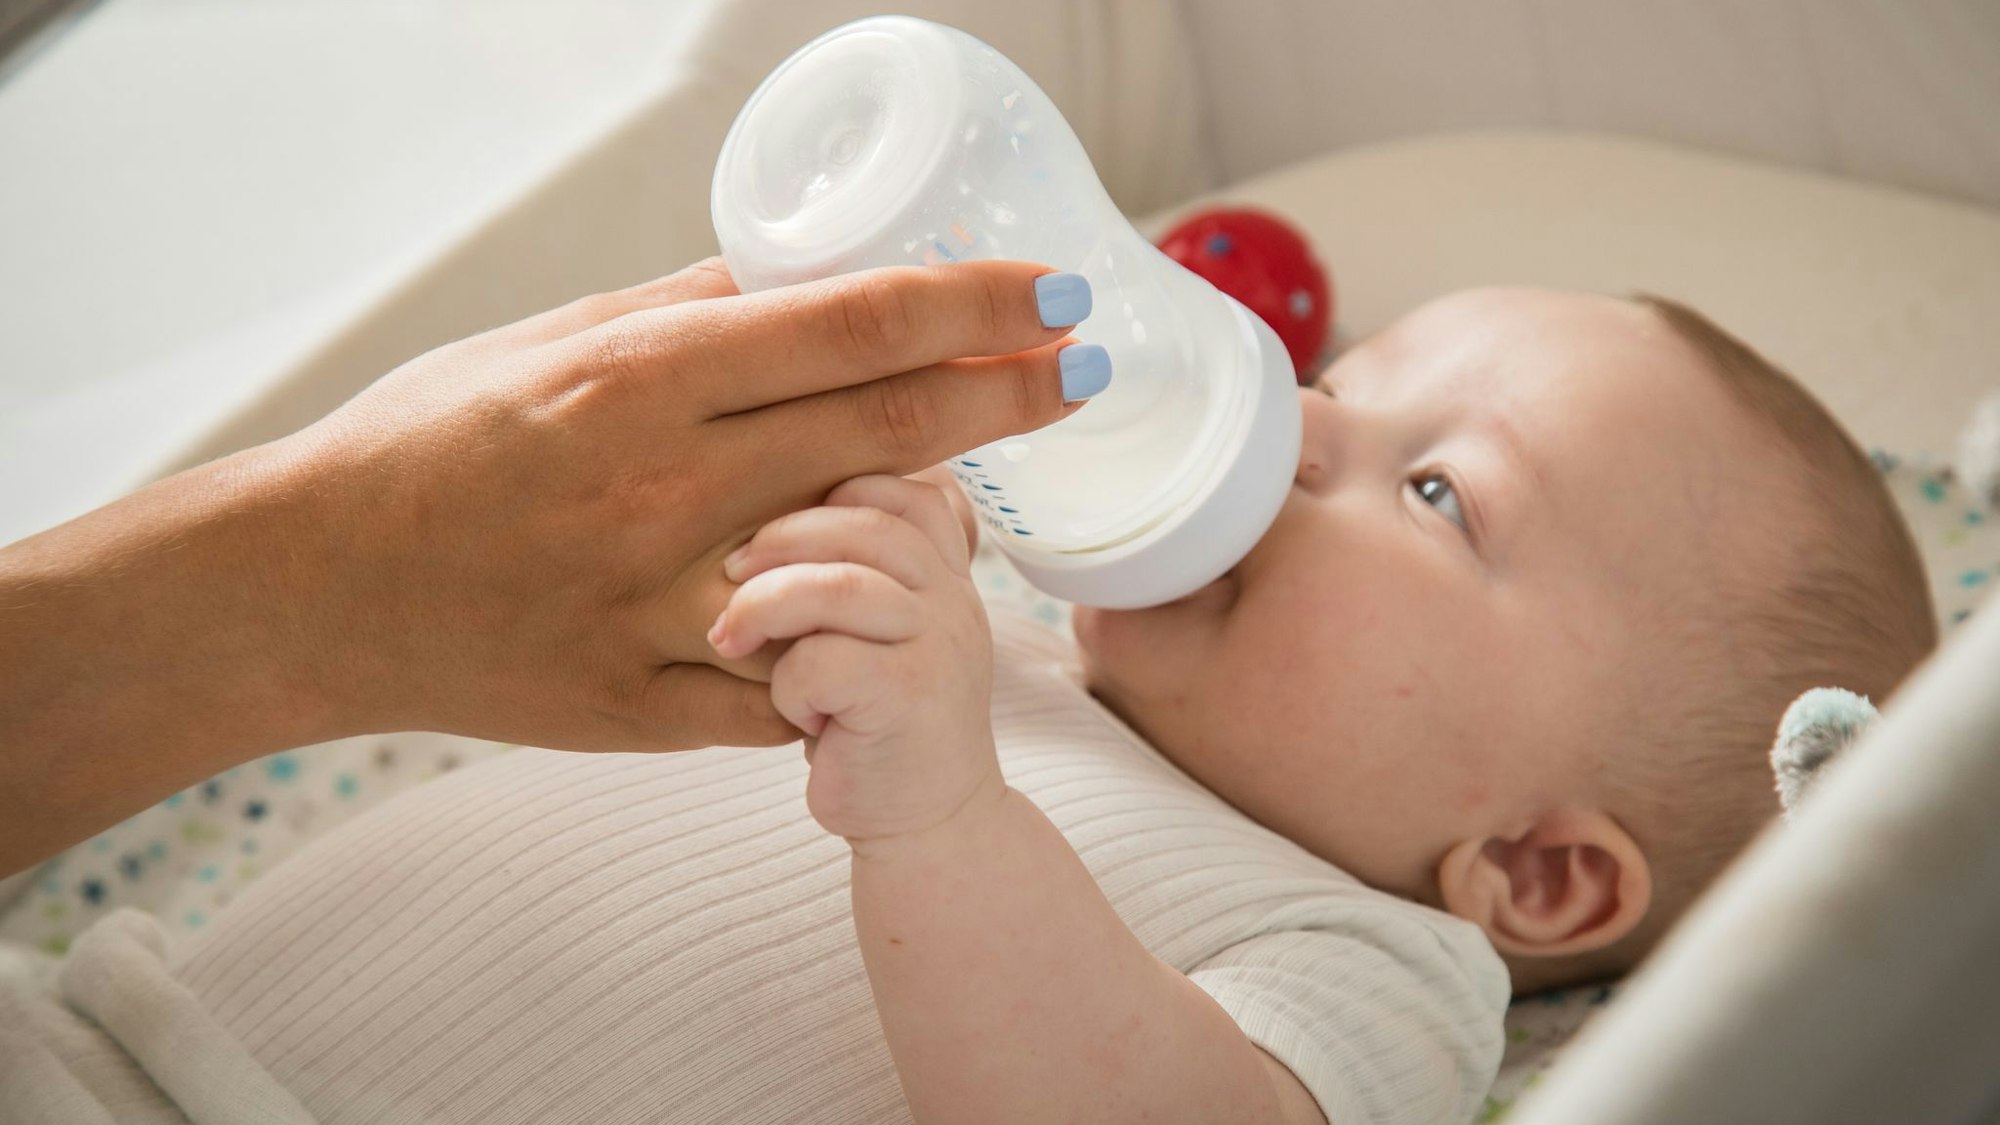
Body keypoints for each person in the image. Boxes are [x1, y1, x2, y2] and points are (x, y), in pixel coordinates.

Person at [14, 288, 1937, 1125]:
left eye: (1441, 491)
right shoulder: (997, 631)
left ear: (1532, 868)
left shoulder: (1378, 969)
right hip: (93, 1026)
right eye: (1347, 373)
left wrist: (941, 808)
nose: (1303, 419)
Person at [0, 258, 1112, 876]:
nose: (1298, 434)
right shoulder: (1020, 628)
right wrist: (325, 569)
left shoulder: (1294, 946)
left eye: (1302, 387)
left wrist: (939, 809)